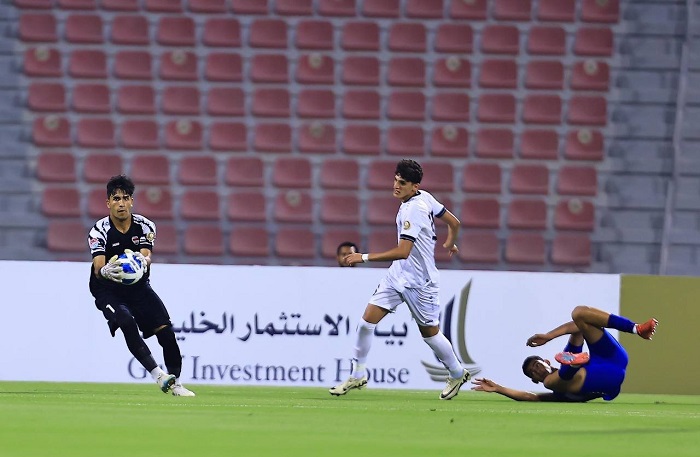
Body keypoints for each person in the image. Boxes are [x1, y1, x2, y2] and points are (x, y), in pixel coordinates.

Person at [329, 159, 470, 400]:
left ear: (414, 187)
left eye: (402, 183)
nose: (396, 185)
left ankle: (457, 373)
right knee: (366, 322)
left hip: (420, 283)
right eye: (395, 179)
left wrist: (363, 257)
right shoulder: (425, 197)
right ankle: (358, 374)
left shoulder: (414, 209)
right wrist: (450, 241)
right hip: (397, 275)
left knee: (430, 334)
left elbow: (403, 251)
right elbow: (453, 222)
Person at [88, 175, 195, 397]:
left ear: (132, 201)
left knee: (167, 333)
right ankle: (159, 375)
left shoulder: (145, 226)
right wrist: (106, 270)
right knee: (126, 320)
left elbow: (146, 256)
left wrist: (142, 262)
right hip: (107, 289)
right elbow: (98, 267)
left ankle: (176, 383)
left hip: (137, 286)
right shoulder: (99, 230)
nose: (121, 203)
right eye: (116, 199)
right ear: (108, 203)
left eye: (125, 198)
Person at [471, 306, 658, 402]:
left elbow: (577, 327)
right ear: (534, 380)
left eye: (536, 365)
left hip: (612, 359)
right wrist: (499, 388)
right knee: (551, 381)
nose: (536, 370)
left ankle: (636, 328)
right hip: (601, 380)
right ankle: (572, 366)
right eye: (532, 373)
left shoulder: (566, 354)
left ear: (546, 361)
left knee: (579, 313)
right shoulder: (553, 389)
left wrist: (549, 336)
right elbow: (531, 397)